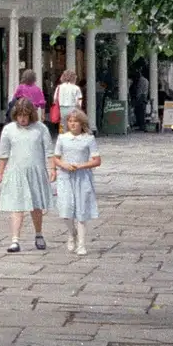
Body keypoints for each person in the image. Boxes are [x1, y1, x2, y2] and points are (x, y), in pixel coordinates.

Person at [0, 97, 54, 253]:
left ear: (31, 115)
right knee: (17, 206)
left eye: (25, 115)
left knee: (36, 206)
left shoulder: (40, 129)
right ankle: (15, 240)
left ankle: (39, 234)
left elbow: (49, 151)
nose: (22, 118)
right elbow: (4, 153)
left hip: (35, 172)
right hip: (16, 172)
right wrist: (0, 173)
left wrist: (52, 169)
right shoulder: (9, 130)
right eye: (20, 115)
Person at [52, 109, 101, 255]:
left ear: (81, 123)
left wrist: (81, 165)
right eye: (70, 121)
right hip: (65, 176)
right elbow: (55, 157)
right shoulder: (62, 138)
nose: (73, 124)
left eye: (76, 121)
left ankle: (81, 243)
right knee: (66, 208)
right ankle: (71, 232)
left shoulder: (88, 139)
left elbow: (97, 160)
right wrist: (62, 165)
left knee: (81, 210)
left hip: (82, 177)